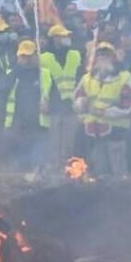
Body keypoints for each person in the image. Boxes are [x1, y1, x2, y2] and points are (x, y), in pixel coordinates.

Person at [73, 43, 131, 177]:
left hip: (116, 131)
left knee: (118, 171)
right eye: (100, 54)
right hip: (93, 131)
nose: (102, 58)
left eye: (106, 55)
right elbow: (78, 98)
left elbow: (130, 102)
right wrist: (81, 104)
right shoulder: (87, 78)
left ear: (114, 57)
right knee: (99, 171)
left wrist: (107, 112)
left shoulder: (124, 77)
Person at [3, 40, 52, 171]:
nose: (26, 60)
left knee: (38, 158)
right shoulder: (12, 74)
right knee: (19, 159)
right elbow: (2, 94)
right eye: (23, 56)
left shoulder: (44, 74)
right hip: (17, 123)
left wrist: (49, 104)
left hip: (38, 123)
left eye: (29, 56)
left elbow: (53, 95)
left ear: (36, 55)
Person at [40, 25, 83, 163]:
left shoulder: (76, 54)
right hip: (53, 105)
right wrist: (44, 100)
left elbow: (82, 78)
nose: (67, 38)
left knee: (69, 144)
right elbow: (42, 83)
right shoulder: (44, 58)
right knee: (54, 143)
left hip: (71, 106)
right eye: (63, 36)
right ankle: (54, 171)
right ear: (55, 38)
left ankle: (68, 171)